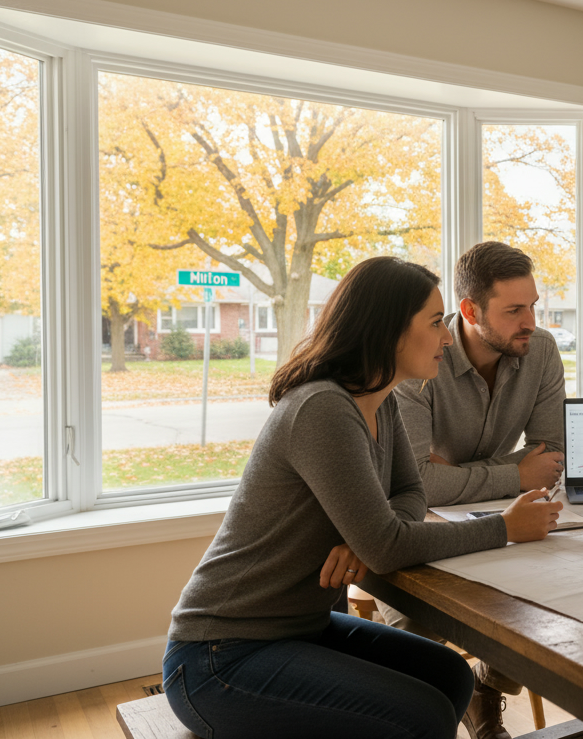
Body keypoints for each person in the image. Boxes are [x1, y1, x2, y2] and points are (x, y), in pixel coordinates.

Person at [162, 256, 562, 739]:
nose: (448, 337)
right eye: (436, 324)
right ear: (390, 331)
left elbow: (410, 490)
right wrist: (503, 528)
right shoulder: (323, 408)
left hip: (301, 628)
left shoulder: (382, 399)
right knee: (423, 715)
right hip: (219, 656)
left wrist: (370, 533)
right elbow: (387, 548)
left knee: (451, 676)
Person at [380, 241, 566, 739]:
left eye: (532, 306)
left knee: (554, 597)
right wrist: (514, 472)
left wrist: (459, 475)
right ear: (469, 310)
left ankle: (485, 687)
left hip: (507, 515)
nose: (530, 321)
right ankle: (449, 701)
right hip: (418, 521)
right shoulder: (416, 357)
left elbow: (551, 455)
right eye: (513, 310)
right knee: (415, 634)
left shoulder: (540, 349)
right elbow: (419, 483)